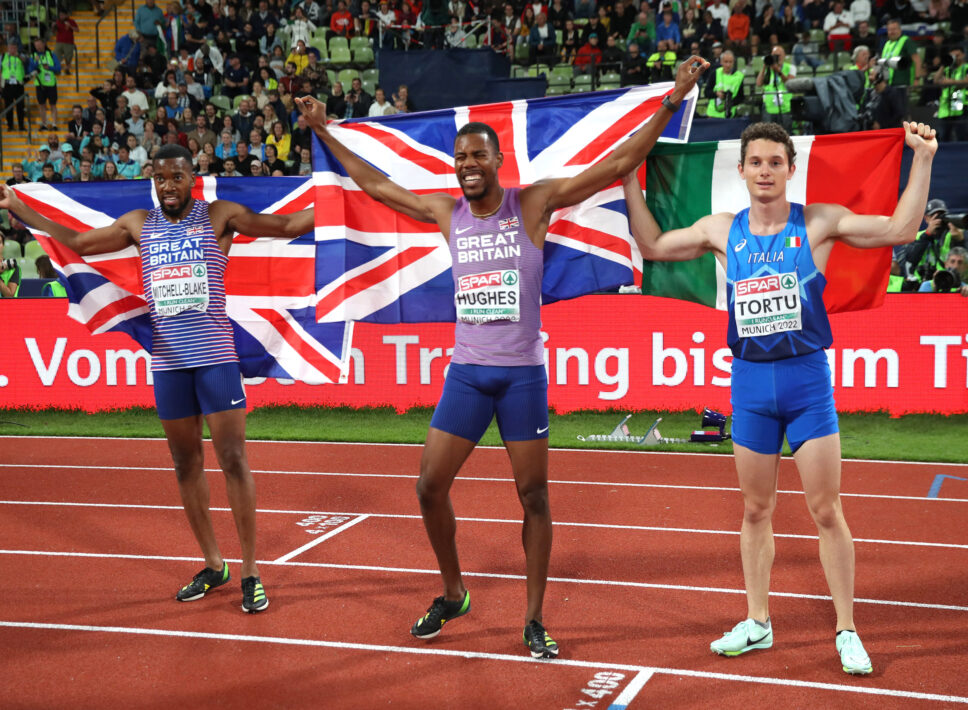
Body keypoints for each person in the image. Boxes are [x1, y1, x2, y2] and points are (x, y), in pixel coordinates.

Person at [296, 55, 709, 660]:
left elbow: (618, 162)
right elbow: (378, 186)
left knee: (534, 497)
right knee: (428, 488)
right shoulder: (447, 212)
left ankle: (534, 619)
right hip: (468, 374)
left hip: (521, 378)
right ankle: (454, 592)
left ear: (498, 161)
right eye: (460, 157)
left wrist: (671, 100)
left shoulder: (532, 204)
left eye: (478, 156)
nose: (468, 165)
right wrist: (327, 130)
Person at [621, 120, 938, 675]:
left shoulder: (816, 222)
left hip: (805, 382)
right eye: (756, 162)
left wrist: (924, 157)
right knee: (755, 509)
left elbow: (900, 230)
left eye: (775, 161)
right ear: (740, 170)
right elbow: (651, 245)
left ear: (792, 168)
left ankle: (846, 629)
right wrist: (627, 179)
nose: (765, 171)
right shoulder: (723, 230)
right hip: (750, 384)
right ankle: (759, 622)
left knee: (825, 509)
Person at [0, 143, 315, 613]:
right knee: (185, 463)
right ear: (153, 180)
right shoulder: (139, 224)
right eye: (160, 178)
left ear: (191, 179)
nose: (168, 186)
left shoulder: (218, 216)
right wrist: (19, 209)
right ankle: (213, 563)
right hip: (167, 362)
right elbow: (78, 243)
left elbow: (286, 226)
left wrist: (340, 194)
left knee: (233, 460)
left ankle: (250, 570)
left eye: (177, 177)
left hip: (215, 357)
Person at [756, 45, 795, 130]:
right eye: (774, 55)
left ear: (784, 55)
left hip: (784, 107)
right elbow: (758, 83)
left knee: (785, 132)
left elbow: (790, 83)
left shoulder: (790, 68)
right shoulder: (767, 69)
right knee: (768, 133)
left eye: (779, 55)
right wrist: (764, 66)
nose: (777, 58)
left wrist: (778, 71)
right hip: (769, 107)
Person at [28, 37, 61, 131]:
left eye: (39, 45)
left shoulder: (51, 54)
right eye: (36, 46)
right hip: (40, 83)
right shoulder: (33, 56)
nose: (38, 47)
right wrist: (37, 62)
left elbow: (58, 68)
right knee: (41, 104)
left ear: (44, 44)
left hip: (51, 83)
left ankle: (54, 124)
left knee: (53, 104)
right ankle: (44, 124)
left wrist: (49, 68)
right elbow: (30, 69)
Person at [0, 40, 27, 132]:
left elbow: (26, 61)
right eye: (10, 47)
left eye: (14, 47)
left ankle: (21, 125)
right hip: (7, 84)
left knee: (20, 106)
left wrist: (17, 55)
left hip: (18, 84)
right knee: (8, 105)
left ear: (17, 48)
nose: (12, 49)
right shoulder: (2, 57)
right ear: (7, 48)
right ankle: (10, 126)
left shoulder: (21, 56)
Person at [705, 49, 744, 117]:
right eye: (725, 62)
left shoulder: (739, 76)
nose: (728, 65)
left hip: (729, 115)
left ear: (733, 62)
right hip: (712, 115)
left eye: (730, 62)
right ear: (721, 62)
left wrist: (729, 100)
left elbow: (741, 97)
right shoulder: (715, 73)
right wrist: (716, 93)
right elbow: (706, 92)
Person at [54, 8, 79, 75]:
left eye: (62, 15)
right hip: (59, 42)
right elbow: (54, 32)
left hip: (68, 43)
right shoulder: (57, 22)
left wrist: (70, 26)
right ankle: (57, 70)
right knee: (56, 56)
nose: (61, 17)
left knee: (68, 58)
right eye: (60, 15)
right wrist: (53, 27)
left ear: (66, 15)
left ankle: (67, 70)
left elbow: (77, 30)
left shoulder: (71, 21)